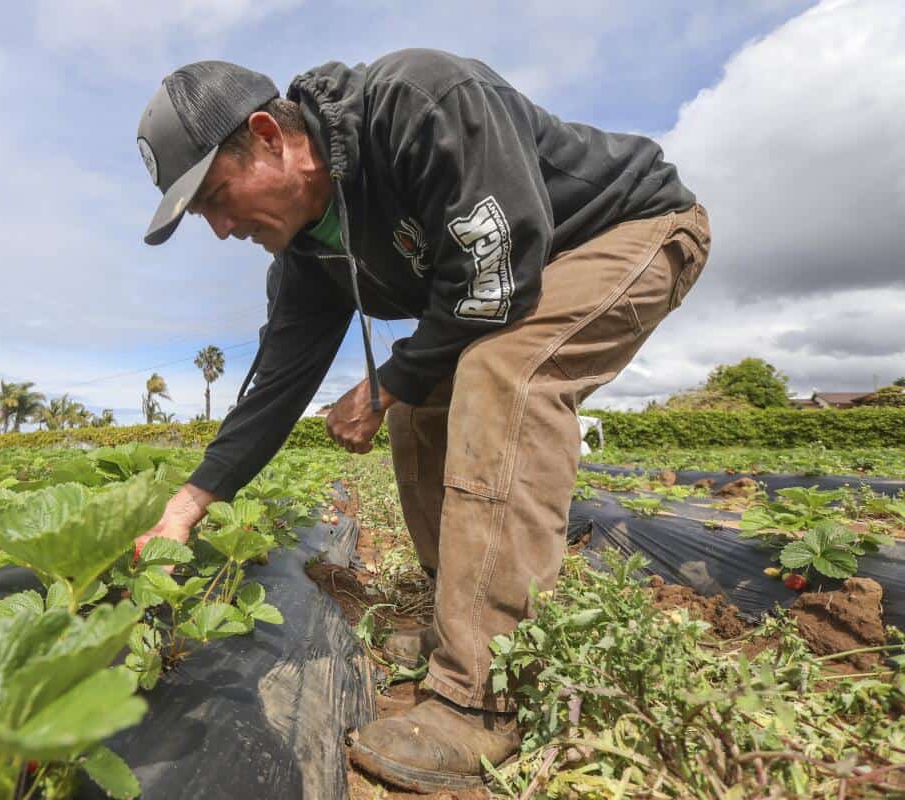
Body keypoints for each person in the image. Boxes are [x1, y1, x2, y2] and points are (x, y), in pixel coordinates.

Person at [134, 49, 710, 792]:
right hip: (517, 278)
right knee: (421, 409)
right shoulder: (310, 253)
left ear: (270, 135)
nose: (219, 229)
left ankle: (485, 695)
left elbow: (502, 273)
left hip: (624, 231)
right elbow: (273, 390)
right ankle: (458, 620)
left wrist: (386, 383)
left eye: (215, 196)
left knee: (503, 374)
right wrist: (185, 508)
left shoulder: (419, 105)